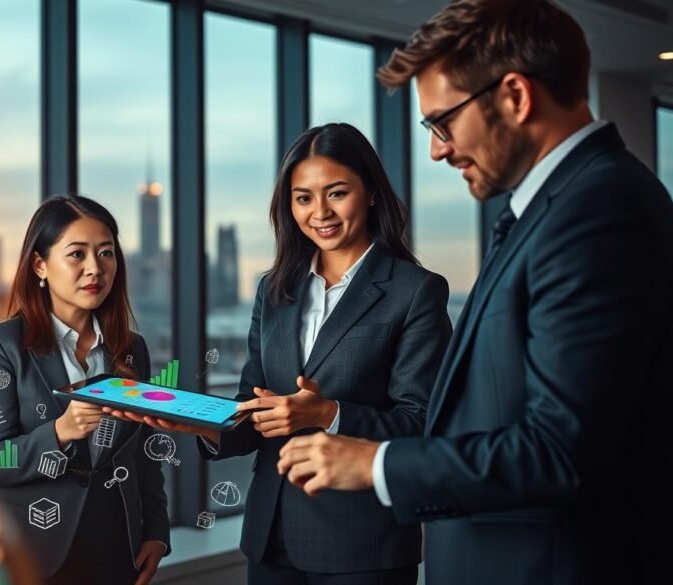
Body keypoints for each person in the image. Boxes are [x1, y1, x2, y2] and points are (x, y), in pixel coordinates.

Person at [276, 2, 673, 584]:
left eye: (444, 121)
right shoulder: (558, 206)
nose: (438, 148)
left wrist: (376, 462)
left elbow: (560, 451)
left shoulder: (598, 212)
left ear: (514, 95)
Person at [109, 123, 452, 585]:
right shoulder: (275, 291)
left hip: (363, 542)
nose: (319, 213)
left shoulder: (415, 291)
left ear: (370, 193)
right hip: (271, 538)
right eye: (303, 198)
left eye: (336, 193)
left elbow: (423, 423)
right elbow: (256, 404)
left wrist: (328, 414)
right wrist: (203, 422)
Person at [0, 195, 170, 585]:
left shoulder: (131, 348)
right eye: (77, 254)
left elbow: (145, 453)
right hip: (30, 551)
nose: (95, 268)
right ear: (40, 265)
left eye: (107, 253)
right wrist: (61, 432)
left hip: (116, 546)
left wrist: (157, 532)